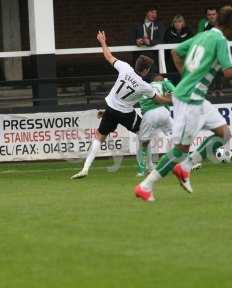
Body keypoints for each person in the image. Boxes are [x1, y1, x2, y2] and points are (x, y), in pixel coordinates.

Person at [135, 6, 232, 201]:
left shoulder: (203, 35)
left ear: (217, 20)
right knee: (180, 149)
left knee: (224, 133)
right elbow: (229, 72)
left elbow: (176, 52)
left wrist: (186, 76)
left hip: (197, 97)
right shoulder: (221, 41)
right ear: (231, 25)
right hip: (189, 100)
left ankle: (185, 168)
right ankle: (145, 186)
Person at [71, 31, 171, 180]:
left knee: (99, 136)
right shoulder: (145, 86)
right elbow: (158, 100)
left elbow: (108, 56)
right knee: (144, 135)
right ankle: (150, 167)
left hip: (111, 108)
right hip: (126, 113)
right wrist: (171, 100)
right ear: (145, 70)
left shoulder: (125, 68)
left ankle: (85, 168)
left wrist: (103, 42)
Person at [136, 74, 175, 177]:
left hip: (148, 115)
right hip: (163, 111)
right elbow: (175, 92)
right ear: (160, 79)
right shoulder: (163, 83)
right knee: (175, 136)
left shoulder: (141, 88)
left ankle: (141, 170)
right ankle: (182, 161)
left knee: (144, 142)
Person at [131, 7, 165, 73]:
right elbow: (130, 40)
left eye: (156, 13)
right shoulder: (137, 25)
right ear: (146, 13)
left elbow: (162, 39)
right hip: (140, 56)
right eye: (152, 12)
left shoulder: (159, 25)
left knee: (154, 78)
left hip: (155, 57)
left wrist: (150, 42)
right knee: (140, 78)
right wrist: (137, 42)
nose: (154, 15)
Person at [164, 15, 194, 84]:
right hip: (171, 60)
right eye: (175, 22)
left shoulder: (189, 32)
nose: (177, 24)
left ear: (183, 23)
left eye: (179, 22)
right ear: (173, 23)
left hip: (185, 59)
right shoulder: (169, 32)